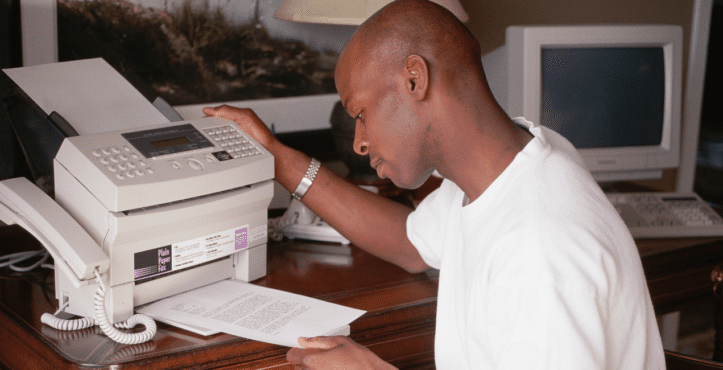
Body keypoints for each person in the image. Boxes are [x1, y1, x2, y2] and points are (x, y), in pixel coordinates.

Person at [203, 0, 666, 368]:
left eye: (361, 114)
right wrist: (282, 160)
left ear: (414, 78)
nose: (359, 142)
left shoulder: (540, 254)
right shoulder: (514, 165)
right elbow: (409, 241)